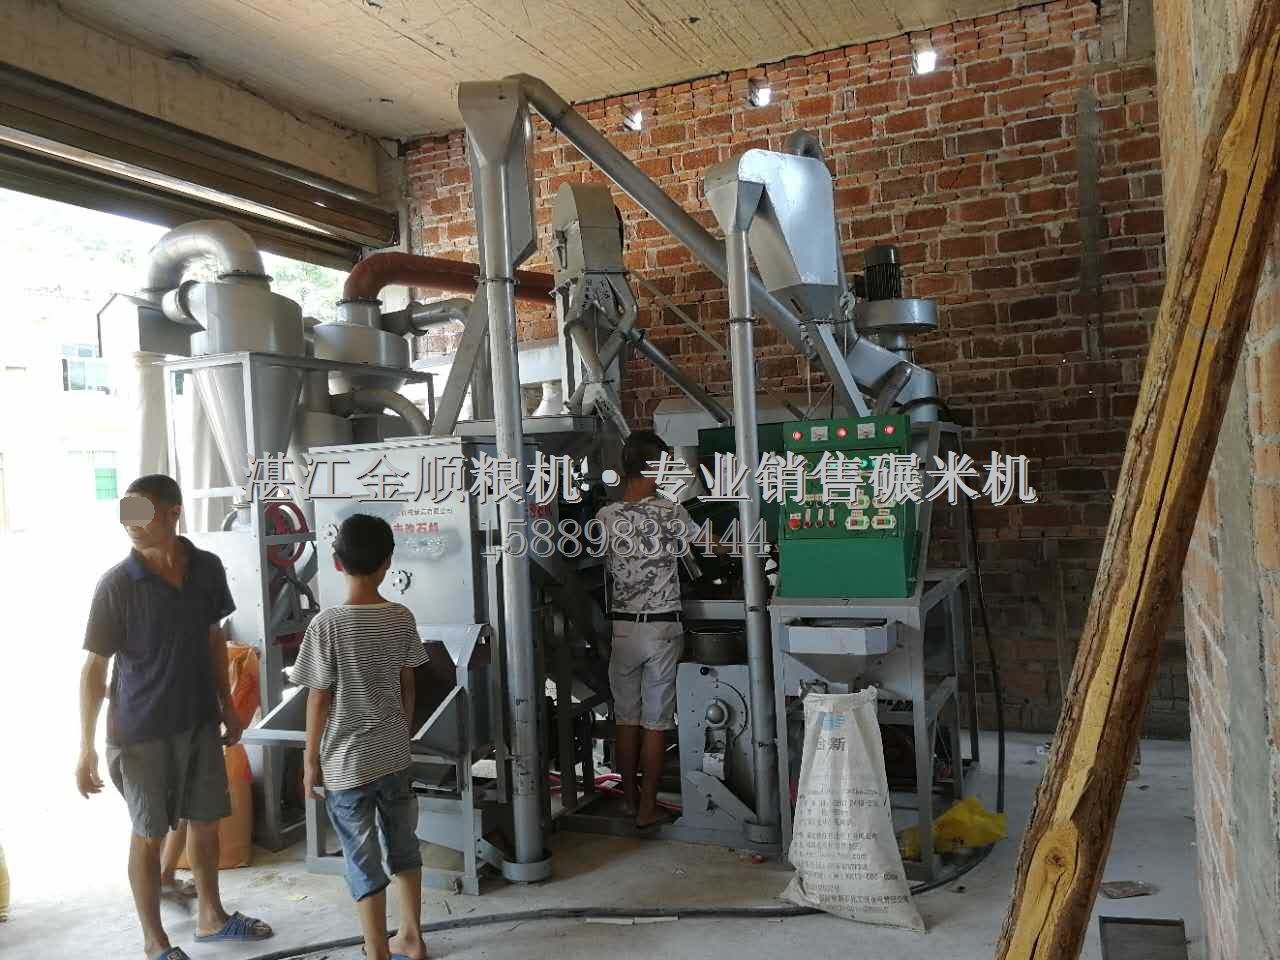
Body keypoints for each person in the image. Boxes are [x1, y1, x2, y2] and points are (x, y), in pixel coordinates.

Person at [76, 474, 273, 960]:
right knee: (149, 833)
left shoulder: (206, 568)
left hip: (199, 719)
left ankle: (212, 917)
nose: (131, 525)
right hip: (140, 731)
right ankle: (155, 942)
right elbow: (94, 668)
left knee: (205, 821)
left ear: (173, 513)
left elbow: (213, 637)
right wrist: (84, 747)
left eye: (141, 514)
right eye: (126, 515)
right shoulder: (117, 585)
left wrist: (227, 705)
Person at [291, 513, 429, 960]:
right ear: (388, 562)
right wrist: (401, 733)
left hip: (347, 764)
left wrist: (311, 761)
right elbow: (409, 686)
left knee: (361, 856)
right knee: (404, 845)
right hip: (394, 756)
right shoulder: (401, 617)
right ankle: (412, 937)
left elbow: (318, 698)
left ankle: (377, 951)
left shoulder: (326, 625)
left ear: (336, 563)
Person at [597, 430, 697, 829]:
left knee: (626, 719)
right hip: (661, 630)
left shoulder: (605, 517)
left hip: (623, 628)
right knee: (656, 722)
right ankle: (647, 808)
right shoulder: (671, 512)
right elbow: (708, 545)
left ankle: (628, 801)